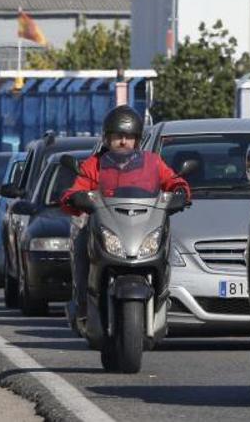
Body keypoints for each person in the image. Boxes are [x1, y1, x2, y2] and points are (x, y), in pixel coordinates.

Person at [59, 105, 191, 324]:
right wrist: (74, 198)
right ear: (107, 138)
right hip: (106, 228)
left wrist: (179, 191)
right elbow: (77, 187)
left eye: (128, 137)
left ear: (137, 140)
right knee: (82, 243)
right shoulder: (95, 164)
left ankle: (164, 297)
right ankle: (83, 302)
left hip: (142, 227)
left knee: (169, 244)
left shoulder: (152, 162)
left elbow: (172, 179)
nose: (123, 142)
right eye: (118, 136)